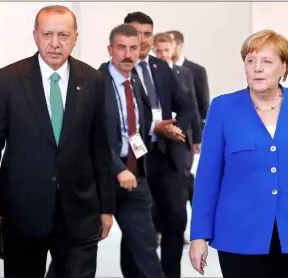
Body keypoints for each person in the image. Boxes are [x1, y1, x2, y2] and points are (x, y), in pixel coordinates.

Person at [0, 5, 115, 278]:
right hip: (22, 212)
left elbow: (101, 149)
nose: (54, 44)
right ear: (35, 36)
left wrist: (106, 208)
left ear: (75, 38)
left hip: (79, 212)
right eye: (47, 34)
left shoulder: (93, 80)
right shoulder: (8, 79)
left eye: (63, 35)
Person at [189, 29, 288, 278]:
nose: (257, 68)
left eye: (266, 61)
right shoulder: (223, 108)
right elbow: (207, 178)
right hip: (240, 237)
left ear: (284, 67)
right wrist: (199, 235)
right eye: (250, 61)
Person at [99, 23, 185, 278]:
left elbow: (135, 127)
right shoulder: (94, 82)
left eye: (133, 48)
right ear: (110, 50)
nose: (128, 54)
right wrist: (118, 168)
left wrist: (158, 128)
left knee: (146, 247)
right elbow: (92, 136)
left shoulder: (135, 81)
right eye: (121, 48)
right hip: (100, 179)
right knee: (76, 251)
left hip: (136, 177)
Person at [122, 12, 194, 278]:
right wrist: (155, 126)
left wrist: (175, 127)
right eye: (136, 33)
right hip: (134, 161)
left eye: (147, 33)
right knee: (140, 227)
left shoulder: (160, 67)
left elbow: (186, 106)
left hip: (167, 157)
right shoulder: (114, 71)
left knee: (176, 220)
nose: (142, 39)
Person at [153, 32, 202, 245]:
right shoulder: (149, 74)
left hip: (182, 140)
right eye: (159, 50)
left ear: (174, 50)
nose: (163, 54)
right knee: (159, 190)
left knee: (181, 186)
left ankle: (176, 228)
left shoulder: (186, 73)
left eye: (166, 50)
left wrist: (197, 138)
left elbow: (194, 106)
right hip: (157, 140)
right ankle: (158, 228)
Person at [166, 30, 210, 130]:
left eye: (170, 43)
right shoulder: (160, 70)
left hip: (190, 131)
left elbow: (203, 104)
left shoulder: (196, 70)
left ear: (179, 45)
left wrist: (199, 136)